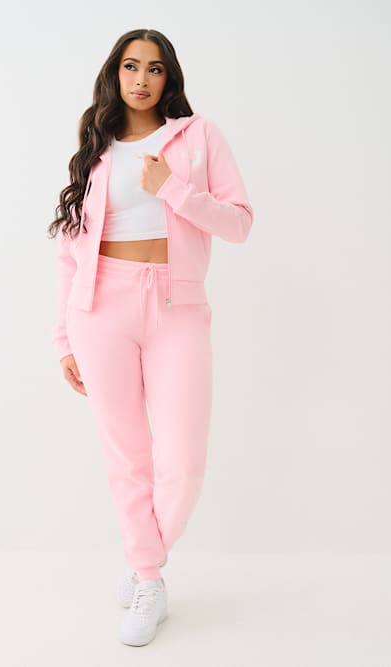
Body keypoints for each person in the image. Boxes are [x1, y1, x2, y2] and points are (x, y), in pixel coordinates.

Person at [47, 28, 254, 647]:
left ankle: (144, 559)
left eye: (155, 69)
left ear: (170, 78)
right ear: (115, 74)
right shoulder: (96, 145)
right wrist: (63, 338)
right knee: (126, 455)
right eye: (131, 67)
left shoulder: (198, 137)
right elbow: (69, 253)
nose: (141, 79)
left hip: (176, 306)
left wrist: (172, 188)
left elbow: (239, 224)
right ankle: (148, 577)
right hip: (99, 309)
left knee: (182, 463)